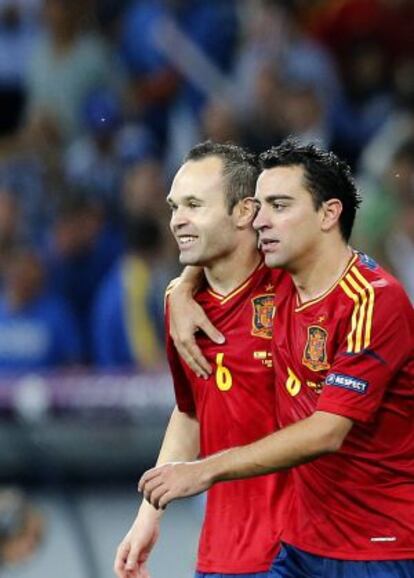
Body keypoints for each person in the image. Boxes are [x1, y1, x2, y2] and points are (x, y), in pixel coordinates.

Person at [140, 140, 414, 577]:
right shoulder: (273, 282)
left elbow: (327, 432)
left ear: (328, 214)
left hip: (376, 547)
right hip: (298, 547)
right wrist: (184, 285)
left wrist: (203, 471)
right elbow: (220, 241)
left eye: (279, 206)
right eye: (260, 206)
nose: (261, 220)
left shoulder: (371, 301)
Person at [114, 142, 289, 578]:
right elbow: (191, 410)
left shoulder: (299, 288)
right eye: (174, 206)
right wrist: (148, 515)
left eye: (194, 205)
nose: (177, 220)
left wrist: (183, 280)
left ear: (245, 211)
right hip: (223, 555)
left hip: (304, 548)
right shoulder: (181, 308)